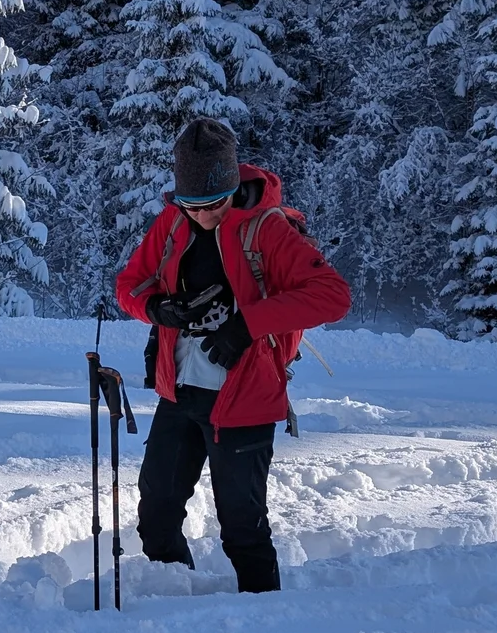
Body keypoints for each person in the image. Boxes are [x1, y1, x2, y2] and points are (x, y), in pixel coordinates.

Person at [115, 119, 351, 593]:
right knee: (155, 516)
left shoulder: (267, 229)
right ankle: (174, 604)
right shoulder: (172, 222)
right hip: (179, 391)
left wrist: (246, 327)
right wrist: (157, 307)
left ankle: (262, 632)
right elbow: (128, 286)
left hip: (246, 398)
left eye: (213, 204)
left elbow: (333, 296)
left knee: (243, 529)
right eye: (191, 205)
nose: (202, 216)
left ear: (230, 187)